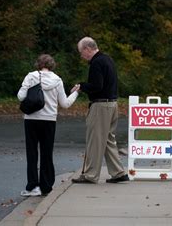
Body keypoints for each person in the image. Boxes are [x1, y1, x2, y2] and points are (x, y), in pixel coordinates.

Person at [17, 54, 80, 196]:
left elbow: (21, 97)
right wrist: (75, 93)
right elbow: (65, 104)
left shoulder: (30, 76)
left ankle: (32, 187)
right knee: (47, 153)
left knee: (32, 153)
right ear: (52, 65)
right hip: (49, 121)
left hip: (31, 119)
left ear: (38, 64)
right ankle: (45, 187)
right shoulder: (57, 80)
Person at [71, 37, 129, 184]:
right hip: (112, 104)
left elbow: (97, 86)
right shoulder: (108, 59)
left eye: (81, 52)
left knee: (95, 140)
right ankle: (118, 172)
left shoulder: (96, 63)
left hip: (101, 106)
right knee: (108, 140)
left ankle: (90, 175)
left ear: (87, 49)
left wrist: (82, 86)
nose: (81, 56)